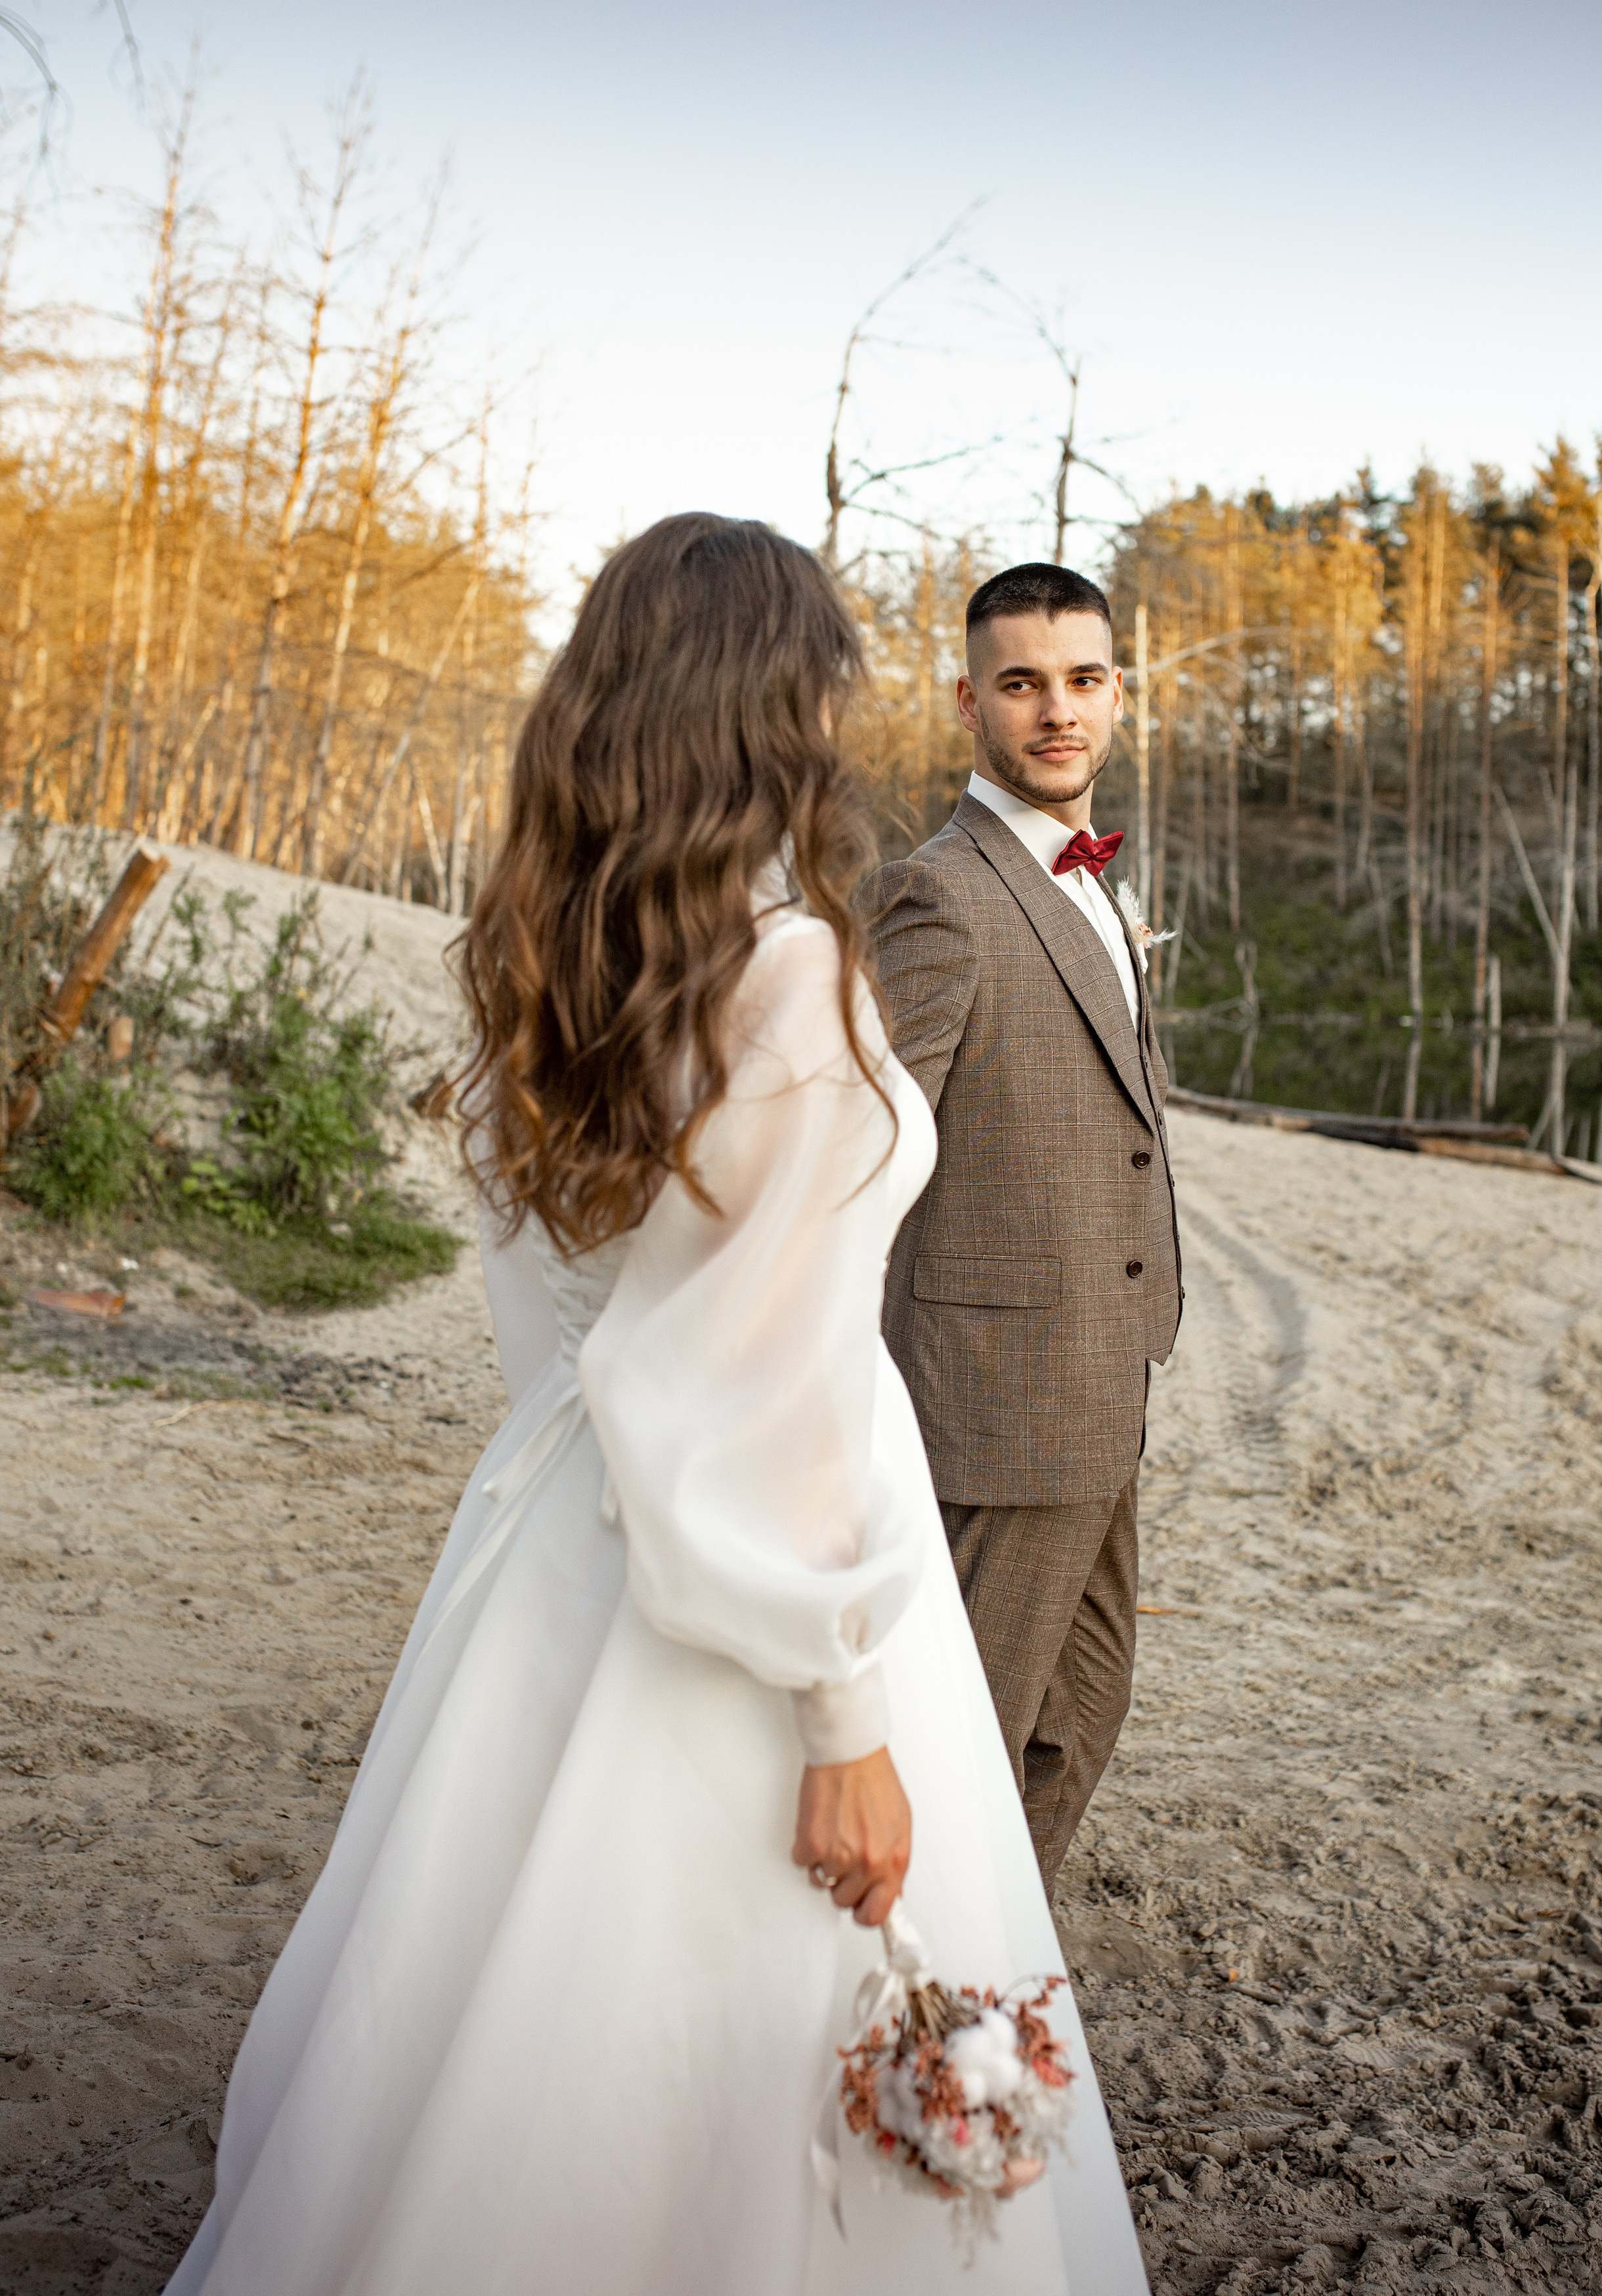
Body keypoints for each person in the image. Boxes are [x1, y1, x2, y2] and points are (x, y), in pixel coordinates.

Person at [163, 518, 1148, 2296]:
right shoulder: (784, 981)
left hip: (554, 1535)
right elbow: (754, 1381)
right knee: (761, 2053)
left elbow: (558, 1326)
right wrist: (846, 1716)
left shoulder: (553, 968)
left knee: (492, 2016)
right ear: (778, 711)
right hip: (765, 1584)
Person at [867, 561, 1182, 1897]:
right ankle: (909, 2024)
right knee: (965, 1747)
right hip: (994, 1404)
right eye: (1020, 684)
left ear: (1117, 692)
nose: (1056, 711)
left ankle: (991, 1968)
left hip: (1104, 1382)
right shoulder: (938, 895)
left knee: (1080, 1716)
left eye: (1082, 680)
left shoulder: (1092, 883)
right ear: (967, 701)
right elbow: (859, 1161)